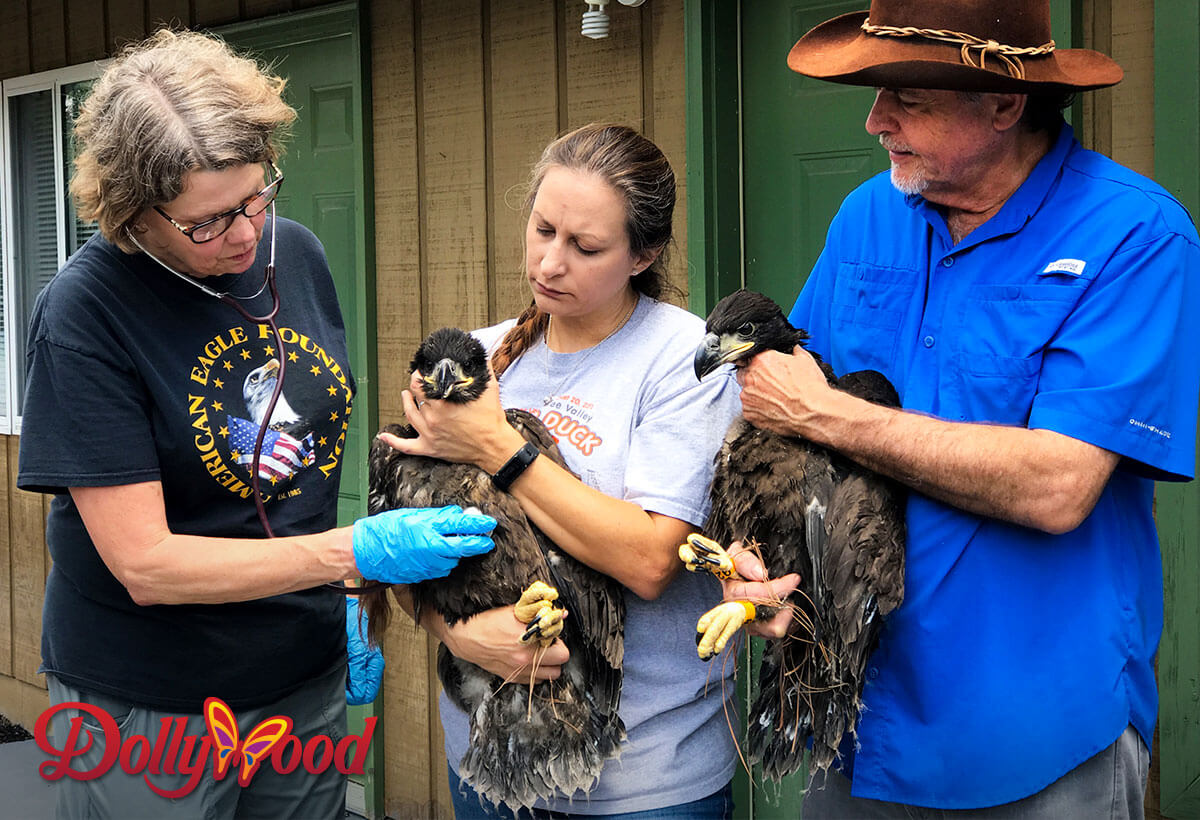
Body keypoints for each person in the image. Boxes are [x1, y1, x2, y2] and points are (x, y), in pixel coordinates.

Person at [720, 1, 1200, 817]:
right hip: (856, 715)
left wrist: (826, 417)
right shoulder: (868, 217)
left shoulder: (1137, 236)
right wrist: (754, 560)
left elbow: (1058, 485)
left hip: (1041, 731)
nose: (876, 121)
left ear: (1006, 104)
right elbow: (783, 419)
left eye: (907, 98)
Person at [16, 29, 496, 819]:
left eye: (256, 197)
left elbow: (301, 461)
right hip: (153, 700)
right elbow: (147, 564)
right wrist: (349, 553)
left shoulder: (295, 253)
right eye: (207, 223)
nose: (244, 236)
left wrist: (344, 590)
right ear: (133, 213)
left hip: (299, 677)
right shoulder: (85, 312)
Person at [381, 123, 743, 818]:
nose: (550, 263)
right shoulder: (474, 359)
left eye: (585, 247)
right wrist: (456, 634)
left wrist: (498, 449)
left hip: (641, 781)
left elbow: (648, 559)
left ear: (646, 254)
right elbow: (407, 548)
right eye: (542, 229)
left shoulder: (682, 360)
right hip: (487, 756)